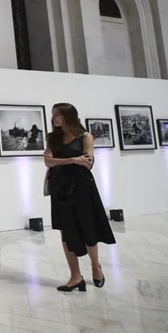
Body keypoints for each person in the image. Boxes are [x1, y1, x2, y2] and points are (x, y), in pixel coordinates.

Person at [45, 102, 115, 291]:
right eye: (53, 115)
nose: (54, 118)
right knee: (66, 232)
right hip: (60, 188)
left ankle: (95, 266)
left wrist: (67, 162)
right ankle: (75, 276)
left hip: (82, 187)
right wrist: (73, 160)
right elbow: (47, 161)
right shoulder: (53, 138)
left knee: (88, 226)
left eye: (57, 114)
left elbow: (88, 162)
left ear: (69, 116)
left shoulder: (85, 137)